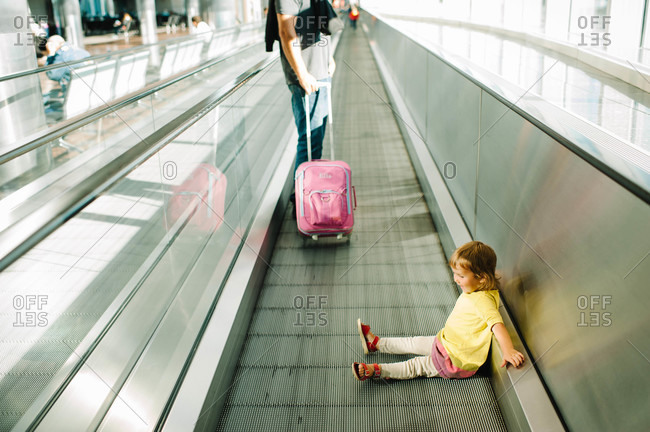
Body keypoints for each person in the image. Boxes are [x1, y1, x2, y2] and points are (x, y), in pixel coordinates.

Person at [353, 241, 525, 381]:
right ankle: (375, 344)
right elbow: (491, 275)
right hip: (446, 342)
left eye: (461, 276)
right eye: (455, 273)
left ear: (481, 279)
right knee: (412, 342)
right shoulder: (480, 288)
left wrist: (508, 350)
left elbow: (497, 325)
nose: (456, 279)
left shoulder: (483, 301)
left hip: (455, 359)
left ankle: (376, 371)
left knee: (416, 366)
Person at [267, 0, 340, 203]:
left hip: (319, 70)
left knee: (315, 138)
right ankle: (302, 200)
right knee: (310, 140)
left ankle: (308, 194)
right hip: (307, 76)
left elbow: (316, 24)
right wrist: (302, 75)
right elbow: (286, 33)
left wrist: (328, 57)